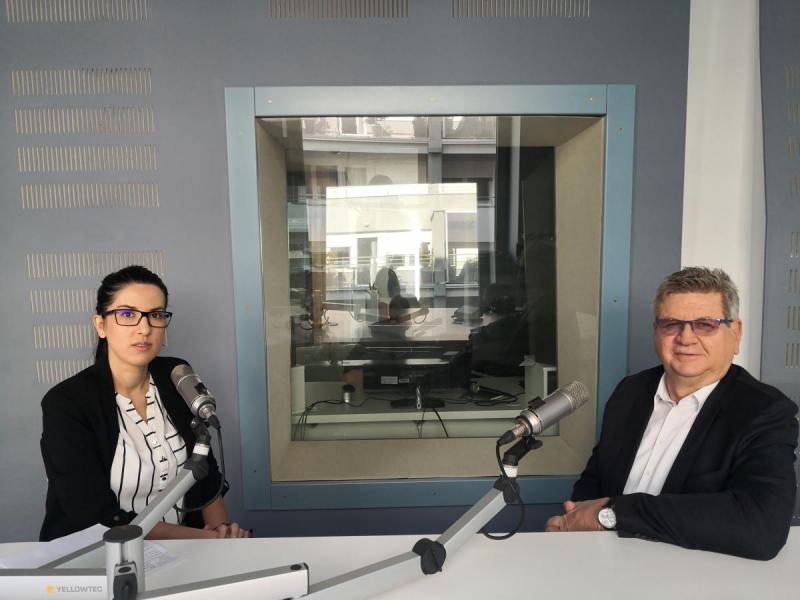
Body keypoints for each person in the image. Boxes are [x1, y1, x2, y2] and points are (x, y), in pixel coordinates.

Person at [545, 267, 798, 560]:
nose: (686, 338)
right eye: (671, 324)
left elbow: (762, 527)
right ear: (656, 331)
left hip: (691, 577)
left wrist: (612, 514)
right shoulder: (630, 392)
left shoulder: (765, 411)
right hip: (604, 563)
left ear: (736, 333)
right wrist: (571, 520)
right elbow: (595, 478)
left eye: (705, 324)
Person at [40, 266, 249, 541]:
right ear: (101, 325)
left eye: (156, 315)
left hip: (187, 549)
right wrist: (204, 540)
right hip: (99, 552)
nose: (145, 328)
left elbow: (206, 472)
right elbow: (93, 515)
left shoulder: (176, 375)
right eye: (127, 314)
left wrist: (221, 538)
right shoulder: (66, 403)